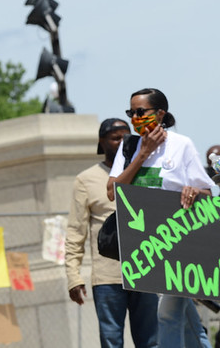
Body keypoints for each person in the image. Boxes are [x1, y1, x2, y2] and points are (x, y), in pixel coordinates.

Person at [107, 88, 214, 348]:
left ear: (160, 113)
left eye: (141, 112)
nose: (135, 118)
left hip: (178, 244)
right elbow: (112, 191)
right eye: (131, 112)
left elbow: (208, 193)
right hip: (145, 247)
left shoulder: (181, 145)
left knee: (166, 313)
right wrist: (142, 155)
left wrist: (193, 190)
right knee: (184, 316)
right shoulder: (129, 147)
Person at [66, 118, 158, 348]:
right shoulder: (85, 179)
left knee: (151, 341)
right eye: (115, 138)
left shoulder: (146, 172)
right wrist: (73, 276)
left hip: (145, 271)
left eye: (126, 137)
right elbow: (76, 231)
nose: (122, 142)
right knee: (111, 340)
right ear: (102, 142)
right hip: (107, 276)